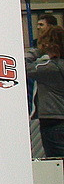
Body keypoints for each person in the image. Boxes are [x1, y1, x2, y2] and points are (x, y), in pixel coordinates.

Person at [26, 25, 64, 158]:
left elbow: (23, 65)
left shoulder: (50, 68)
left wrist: (38, 51)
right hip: (57, 118)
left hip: (53, 121)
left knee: (56, 164)